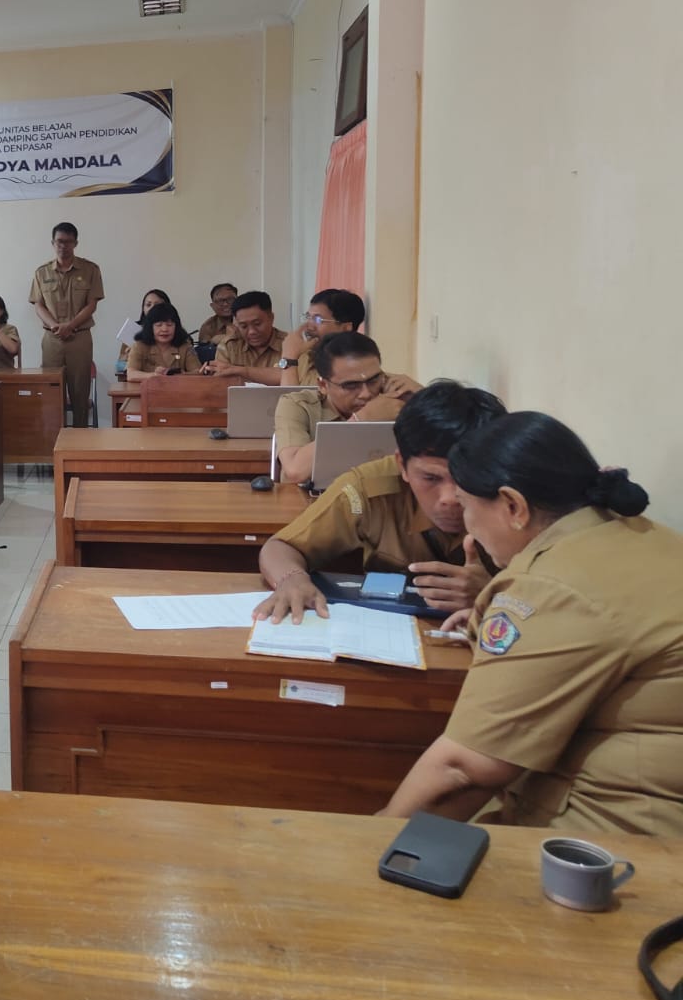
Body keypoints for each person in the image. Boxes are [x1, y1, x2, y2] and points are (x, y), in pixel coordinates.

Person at [379, 412, 683, 836]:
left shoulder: (552, 585)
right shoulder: (638, 534)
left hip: (616, 840)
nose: (467, 525)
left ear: (513, 506)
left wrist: (372, 840)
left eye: (466, 505)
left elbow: (462, 771)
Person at [253, 381, 507, 624]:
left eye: (464, 478)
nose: (449, 498)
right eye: (431, 478)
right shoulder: (368, 486)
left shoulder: (515, 497)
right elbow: (280, 547)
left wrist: (493, 592)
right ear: (402, 465)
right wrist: (292, 579)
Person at [273, 333, 423, 484]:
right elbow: (295, 470)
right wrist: (361, 420)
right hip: (315, 496)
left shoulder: (395, 400)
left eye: (373, 380)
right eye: (351, 385)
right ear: (323, 385)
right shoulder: (297, 404)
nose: (366, 393)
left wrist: (423, 399)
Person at [30, 221, 104, 426]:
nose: (63, 246)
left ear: (76, 243)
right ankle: (54, 439)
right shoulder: (42, 272)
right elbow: (38, 305)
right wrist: (55, 326)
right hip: (52, 338)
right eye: (59, 241)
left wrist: (70, 326)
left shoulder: (90, 270)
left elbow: (91, 304)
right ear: (52, 243)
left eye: (68, 242)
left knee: (80, 392)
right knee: (51, 391)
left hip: (79, 337)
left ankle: (80, 439)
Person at [279, 288, 365, 386]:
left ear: (346, 328)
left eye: (318, 319)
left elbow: (289, 396)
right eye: (308, 317)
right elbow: (277, 374)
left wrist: (289, 358)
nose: (309, 326)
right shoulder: (308, 355)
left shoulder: (349, 367)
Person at [202, 290, 287, 383]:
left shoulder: (289, 344)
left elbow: (290, 377)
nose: (251, 332)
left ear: (271, 318)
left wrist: (238, 371)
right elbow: (222, 382)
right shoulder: (229, 346)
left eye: (257, 324)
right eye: (244, 326)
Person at [124, 302, 200, 380]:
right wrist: (155, 376)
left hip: (178, 387)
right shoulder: (139, 346)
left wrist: (181, 375)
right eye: (159, 325)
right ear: (150, 327)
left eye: (169, 325)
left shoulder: (185, 346)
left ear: (176, 327)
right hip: (147, 387)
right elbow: (131, 375)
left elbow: (198, 372)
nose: (164, 329)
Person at [117, 289, 172, 366]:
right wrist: (128, 357)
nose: (152, 308)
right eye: (148, 305)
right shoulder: (132, 329)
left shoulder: (171, 330)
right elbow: (119, 364)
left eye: (157, 305)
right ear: (143, 308)